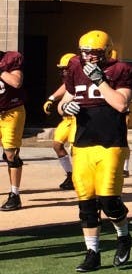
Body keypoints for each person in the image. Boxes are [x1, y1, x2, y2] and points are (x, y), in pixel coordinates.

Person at [58, 30, 132, 271]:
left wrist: (100, 80)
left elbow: (121, 104)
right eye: (85, 53)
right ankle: (92, 252)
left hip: (111, 142)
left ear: (106, 52)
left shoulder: (121, 70)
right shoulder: (74, 66)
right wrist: (64, 107)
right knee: (86, 203)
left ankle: (124, 236)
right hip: (82, 142)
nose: (89, 57)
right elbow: (66, 100)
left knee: (109, 200)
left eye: (94, 53)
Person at [43, 52, 77, 190]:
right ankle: (70, 175)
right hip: (67, 118)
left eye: (66, 68)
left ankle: (80, 178)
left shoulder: (82, 76)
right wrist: (52, 98)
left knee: (76, 149)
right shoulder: (69, 79)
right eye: (62, 69)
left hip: (78, 118)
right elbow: (66, 87)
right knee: (57, 145)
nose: (63, 71)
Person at [0, 47, 26, 211]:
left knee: (10, 153)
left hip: (11, 111)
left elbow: (16, 82)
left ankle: (14, 194)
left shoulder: (10, 59)